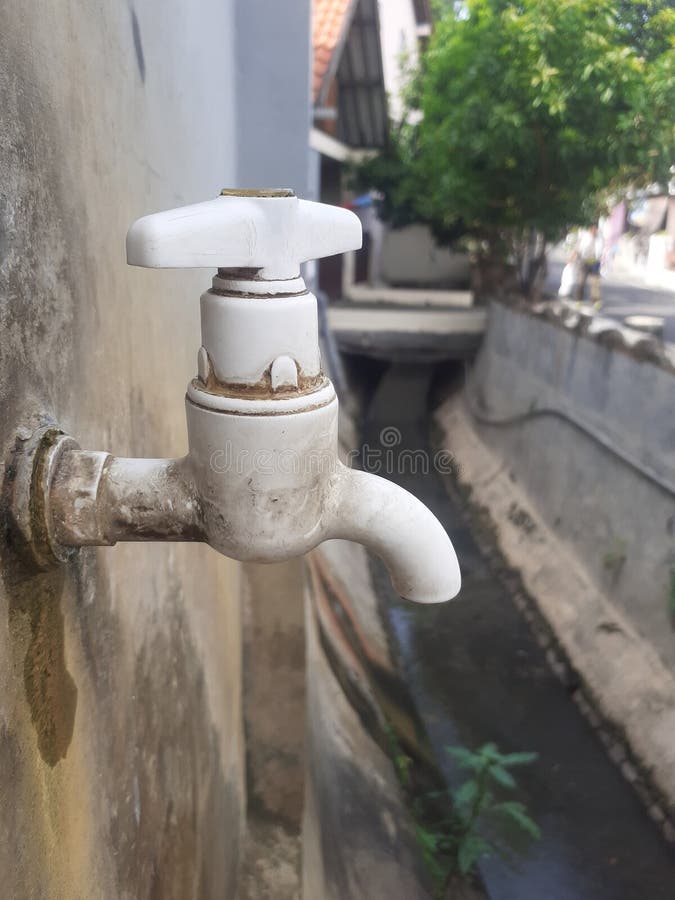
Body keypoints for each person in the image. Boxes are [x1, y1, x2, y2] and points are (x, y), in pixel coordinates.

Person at [575, 225, 603, 305]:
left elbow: (601, 250)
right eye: (593, 229)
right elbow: (578, 249)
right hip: (584, 261)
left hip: (595, 262)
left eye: (596, 229)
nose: (594, 231)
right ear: (590, 229)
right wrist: (575, 258)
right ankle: (579, 299)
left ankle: (596, 301)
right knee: (581, 281)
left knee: (595, 283)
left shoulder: (600, 238)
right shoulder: (585, 237)